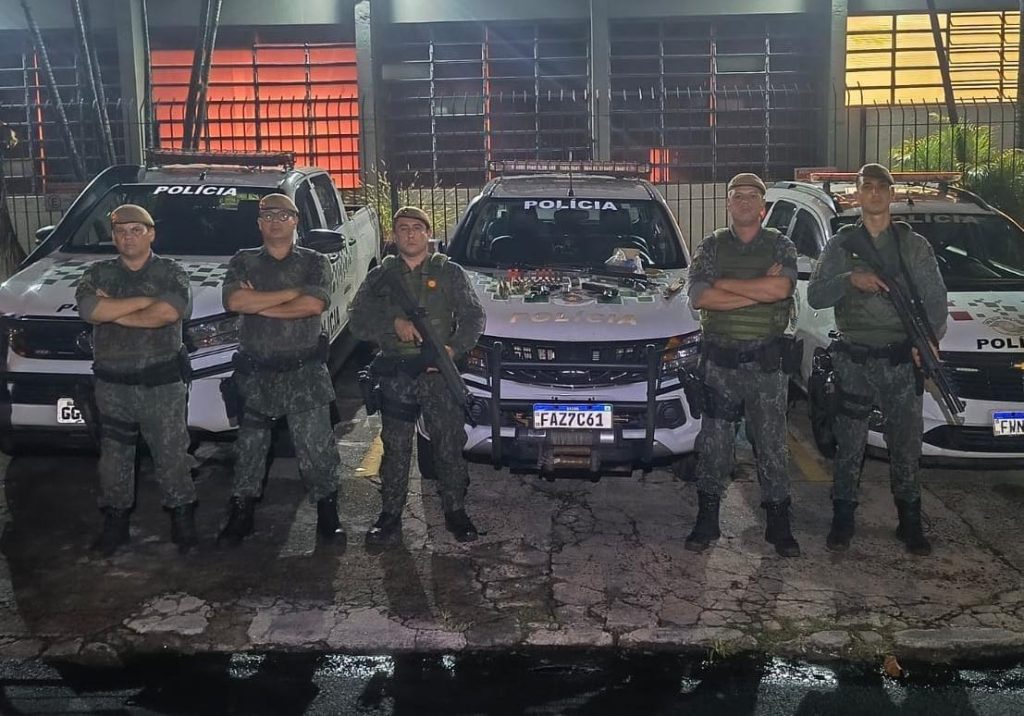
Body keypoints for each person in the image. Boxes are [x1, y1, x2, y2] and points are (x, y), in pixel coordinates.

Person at [807, 163, 947, 555]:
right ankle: (843, 518)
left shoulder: (912, 245)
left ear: (892, 194)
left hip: (900, 359)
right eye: (866, 186)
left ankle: (910, 521)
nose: (874, 193)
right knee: (849, 442)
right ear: (856, 194)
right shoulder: (842, 245)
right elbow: (816, 295)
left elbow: (935, 300)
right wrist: (850, 279)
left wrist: (927, 340)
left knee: (906, 442)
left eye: (881, 187)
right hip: (854, 359)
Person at [349, 206, 486, 545]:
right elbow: (357, 319)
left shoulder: (449, 272)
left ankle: (455, 510)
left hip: (438, 373)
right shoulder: (381, 276)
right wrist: (392, 324)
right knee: (395, 447)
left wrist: (453, 350)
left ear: (427, 233)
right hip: (396, 372)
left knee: (448, 443)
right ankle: (390, 514)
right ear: (394, 236)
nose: (409, 234)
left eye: (416, 228)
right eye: (402, 228)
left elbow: (474, 316)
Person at [217, 193, 344, 546]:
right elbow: (234, 300)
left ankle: (328, 512)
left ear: (295, 220)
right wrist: (292, 294)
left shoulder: (315, 261)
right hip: (256, 373)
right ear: (259, 223)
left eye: (283, 215)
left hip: (304, 372)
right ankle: (242, 513)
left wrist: (258, 304)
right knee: (250, 448)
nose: (275, 221)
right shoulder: (243, 260)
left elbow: (313, 305)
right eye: (268, 215)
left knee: (317, 449)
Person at [685, 173, 801, 557]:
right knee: (715, 445)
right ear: (728, 203)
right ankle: (707, 520)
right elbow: (700, 297)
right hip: (720, 363)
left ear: (763, 205)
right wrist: (758, 291)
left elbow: (781, 289)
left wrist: (724, 283)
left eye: (753, 196)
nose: (745, 201)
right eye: (738, 196)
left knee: (771, 444)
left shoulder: (780, 244)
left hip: (767, 363)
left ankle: (779, 524)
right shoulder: (712, 245)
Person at [76, 204, 196, 556]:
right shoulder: (98, 273)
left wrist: (113, 311)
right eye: (120, 231)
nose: (127, 237)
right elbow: (89, 310)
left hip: (162, 384)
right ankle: (115, 524)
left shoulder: (171, 272)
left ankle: (182, 520)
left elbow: (167, 313)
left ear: (151, 233)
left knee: (172, 455)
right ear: (113, 236)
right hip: (113, 385)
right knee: (113, 459)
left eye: (135, 230)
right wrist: (145, 302)